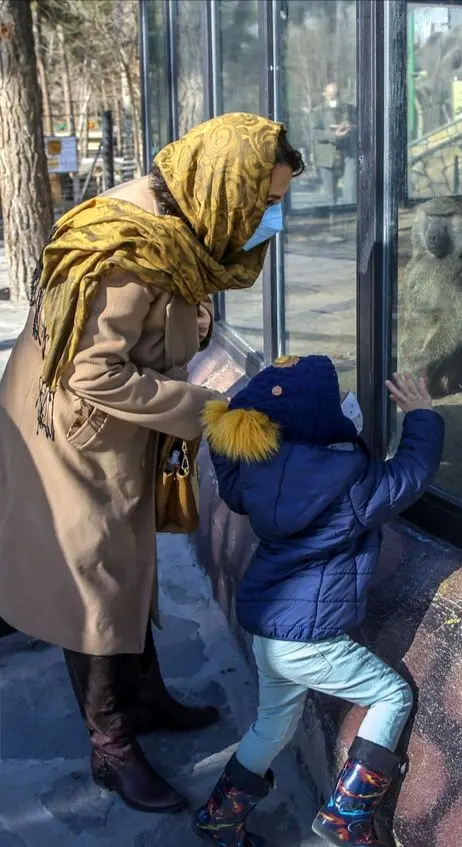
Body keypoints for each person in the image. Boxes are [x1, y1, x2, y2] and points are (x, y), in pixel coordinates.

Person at [0, 112, 304, 814]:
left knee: (127, 564)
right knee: (93, 584)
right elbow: (90, 371)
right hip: (71, 432)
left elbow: (161, 320)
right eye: (265, 200)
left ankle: (144, 697)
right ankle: (111, 746)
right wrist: (204, 409)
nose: (271, 216)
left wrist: (194, 325)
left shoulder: (178, 224)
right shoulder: (129, 252)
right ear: (226, 187)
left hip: (110, 426)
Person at [192, 359, 443, 846]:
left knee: (272, 726)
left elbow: (229, 476)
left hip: (268, 632)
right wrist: (422, 416)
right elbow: (411, 474)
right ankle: (346, 816)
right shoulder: (349, 482)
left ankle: (218, 817)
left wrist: (230, 426)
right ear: (319, 417)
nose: (346, 402)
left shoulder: (255, 475)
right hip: (308, 639)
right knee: (392, 696)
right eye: (336, 398)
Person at [312, 82, 358, 211]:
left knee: (350, 190)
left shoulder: (350, 109)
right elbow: (314, 134)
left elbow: (361, 126)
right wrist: (333, 135)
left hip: (348, 154)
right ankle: (332, 218)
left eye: (336, 94)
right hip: (326, 156)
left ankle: (350, 216)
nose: (334, 97)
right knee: (330, 195)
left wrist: (350, 127)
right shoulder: (317, 112)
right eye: (330, 94)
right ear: (325, 94)